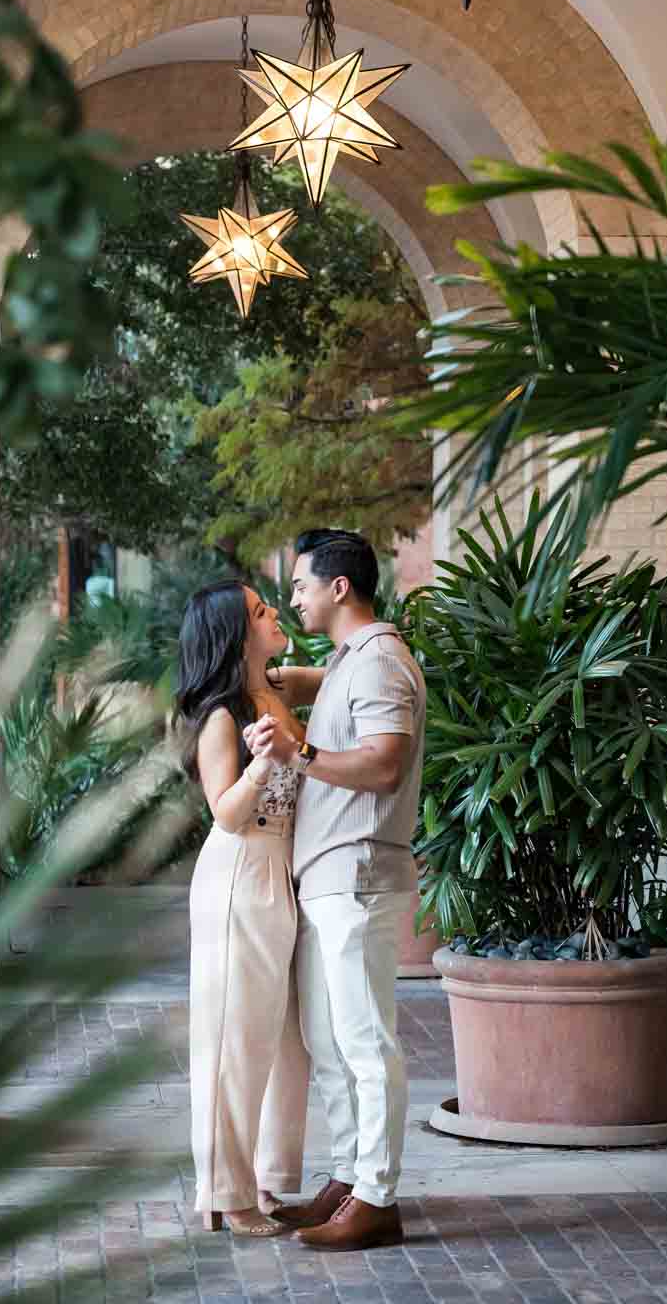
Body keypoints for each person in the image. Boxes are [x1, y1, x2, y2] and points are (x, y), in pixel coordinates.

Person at [245, 529, 426, 1252]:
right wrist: (307, 685)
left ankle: (377, 1194)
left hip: (357, 875)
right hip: (326, 878)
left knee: (363, 1042)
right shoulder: (355, 660)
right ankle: (349, 1176)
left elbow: (385, 764)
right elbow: (349, 689)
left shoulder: (380, 661)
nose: (294, 599)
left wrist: (301, 752)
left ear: (339, 588)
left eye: (300, 587)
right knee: (328, 1040)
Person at [179, 579, 323, 1237]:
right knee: (234, 1039)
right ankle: (225, 1194)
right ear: (238, 636)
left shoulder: (280, 687)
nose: (277, 614)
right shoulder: (220, 714)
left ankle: (268, 1181)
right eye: (263, 612)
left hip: (282, 874)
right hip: (240, 875)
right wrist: (262, 765)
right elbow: (225, 814)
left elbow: (346, 674)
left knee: (285, 1041)